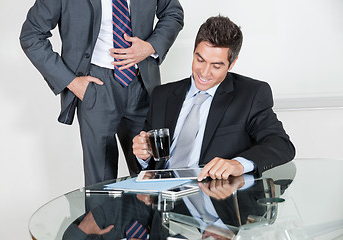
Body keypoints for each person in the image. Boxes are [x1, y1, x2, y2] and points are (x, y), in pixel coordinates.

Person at [19, 0, 184, 185]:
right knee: (102, 183)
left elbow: (173, 13)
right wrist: (71, 82)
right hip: (95, 87)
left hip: (142, 84)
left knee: (153, 175)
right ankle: (102, 214)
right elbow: (31, 35)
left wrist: (150, 46)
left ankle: (149, 214)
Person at [132, 15, 295, 181]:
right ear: (194, 52)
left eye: (216, 66)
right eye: (200, 59)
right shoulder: (162, 95)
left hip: (212, 195)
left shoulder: (251, 94)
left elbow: (281, 145)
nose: (204, 72)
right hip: (162, 196)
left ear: (232, 64)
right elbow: (152, 164)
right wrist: (143, 156)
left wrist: (238, 164)